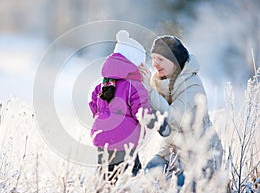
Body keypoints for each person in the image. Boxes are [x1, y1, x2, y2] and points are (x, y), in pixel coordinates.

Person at [138, 35, 223, 189]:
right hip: (173, 150)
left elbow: (173, 117)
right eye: (153, 58)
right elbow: (155, 110)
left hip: (201, 154)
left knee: (181, 185)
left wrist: (149, 91)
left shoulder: (192, 85)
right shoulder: (161, 82)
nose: (155, 64)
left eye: (161, 59)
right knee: (150, 172)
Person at [89, 30, 151, 182]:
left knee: (106, 178)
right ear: (138, 64)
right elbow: (143, 114)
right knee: (131, 178)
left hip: (102, 139)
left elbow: (93, 105)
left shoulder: (102, 85)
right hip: (126, 141)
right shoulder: (135, 87)